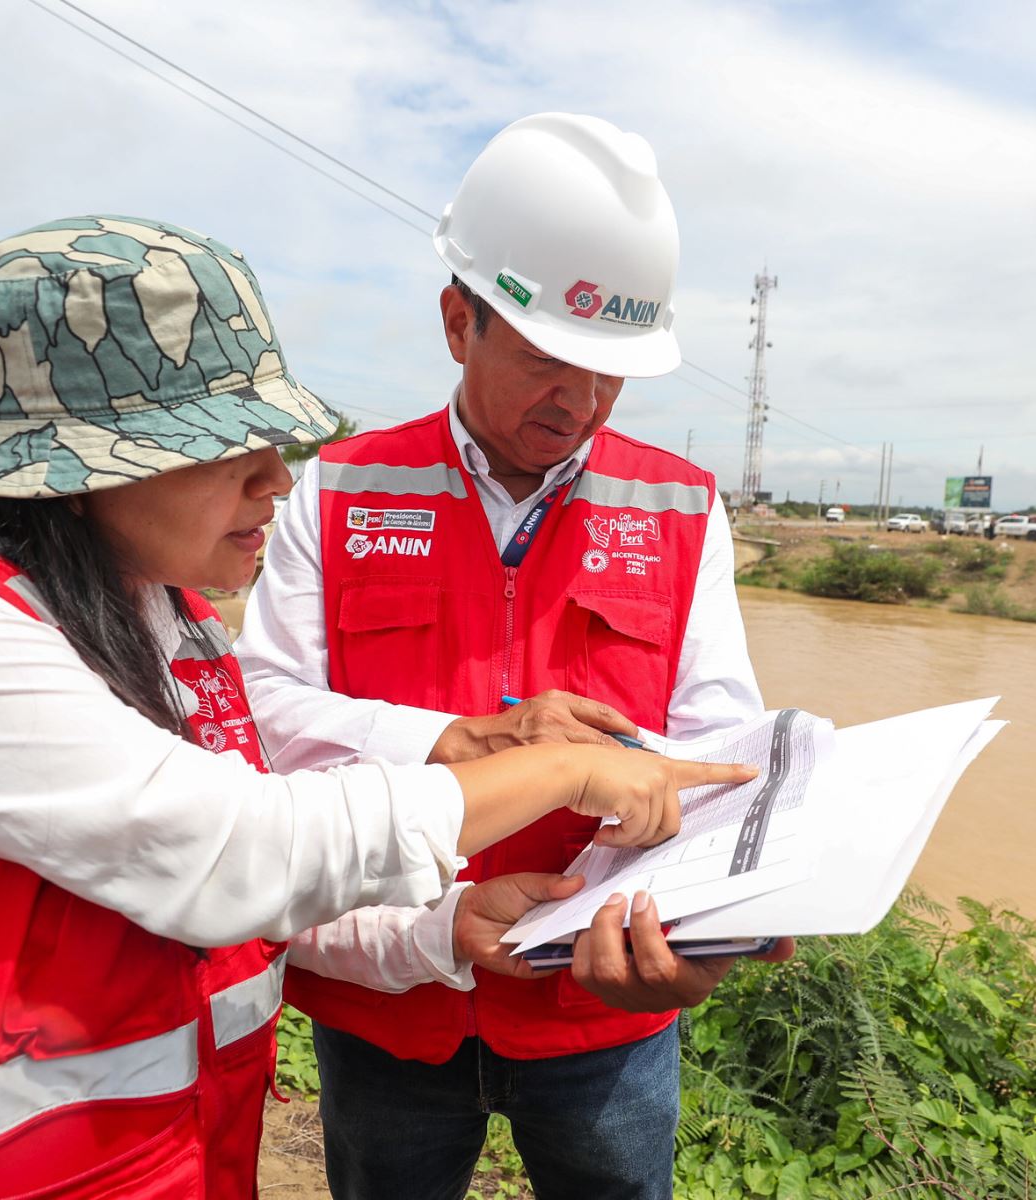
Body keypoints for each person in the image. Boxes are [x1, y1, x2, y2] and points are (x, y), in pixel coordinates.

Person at [0, 215, 750, 1200]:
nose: (275, 482)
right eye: (228, 445)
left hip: (177, 1150)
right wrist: (548, 765)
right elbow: (227, 848)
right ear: (88, 461)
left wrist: (438, 930)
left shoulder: (165, 618)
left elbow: (241, 895)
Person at [237, 115, 787, 1200]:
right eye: (549, 360)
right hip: (387, 994)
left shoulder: (680, 506)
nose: (580, 405)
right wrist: (447, 739)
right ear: (459, 321)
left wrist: (725, 922)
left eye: (612, 377)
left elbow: (720, 745)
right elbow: (259, 712)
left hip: (600, 1012)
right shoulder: (339, 491)